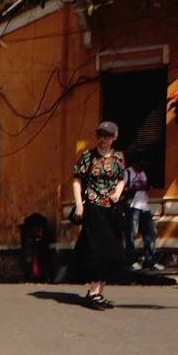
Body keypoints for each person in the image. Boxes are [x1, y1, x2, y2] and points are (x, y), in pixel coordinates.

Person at [71, 122, 127, 308]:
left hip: (112, 208)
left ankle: (99, 293)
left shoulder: (118, 157)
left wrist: (118, 192)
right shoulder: (88, 156)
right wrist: (79, 205)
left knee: (113, 252)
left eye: (107, 136)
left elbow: (121, 178)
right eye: (100, 135)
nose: (102, 139)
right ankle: (93, 292)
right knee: (99, 251)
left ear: (114, 137)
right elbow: (77, 180)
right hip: (94, 207)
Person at [124, 153, 157, 271]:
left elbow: (146, 186)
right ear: (135, 163)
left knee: (151, 233)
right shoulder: (127, 173)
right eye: (141, 165)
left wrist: (147, 187)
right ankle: (131, 261)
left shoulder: (143, 173)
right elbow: (121, 189)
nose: (142, 168)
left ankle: (149, 260)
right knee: (131, 234)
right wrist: (136, 188)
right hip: (132, 206)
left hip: (144, 206)